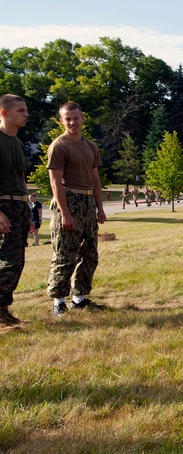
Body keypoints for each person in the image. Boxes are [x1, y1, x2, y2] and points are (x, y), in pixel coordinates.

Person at [47, 102, 107, 316]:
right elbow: (55, 183)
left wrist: (100, 208)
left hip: (87, 202)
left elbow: (95, 179)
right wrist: (65, 213)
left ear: (83, 119)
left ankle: (79, 298)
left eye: (75, 118)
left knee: (90, 253)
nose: (72, 122)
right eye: (67, 119)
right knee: (65, 253)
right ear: (61, 121)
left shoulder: (90, 146)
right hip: (68, 200)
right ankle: (58, 301)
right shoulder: (59, 146)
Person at [0, 95, 30, 331]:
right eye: (20, 111)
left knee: (17, 261)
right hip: (3, 208)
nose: (26, 114)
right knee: (8, 261)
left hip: (19, 206)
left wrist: (27, 211)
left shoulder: (18, 143)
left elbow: (20, 179)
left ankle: (4, 311)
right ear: (4, 113)